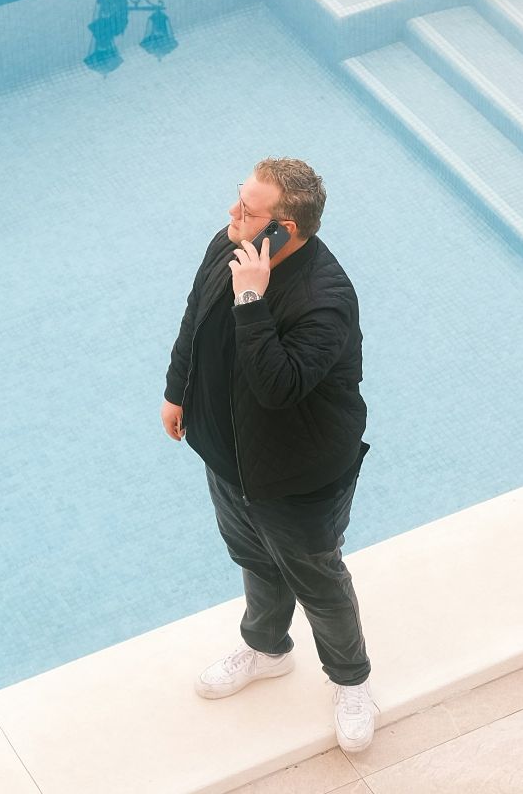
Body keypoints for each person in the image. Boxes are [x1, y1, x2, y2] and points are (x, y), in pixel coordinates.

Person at [161, 157, 377, 752]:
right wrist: (177, 390)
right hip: (229, 457)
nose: (232, 213)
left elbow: (277, 387)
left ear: (285, 228)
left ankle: (352, 681)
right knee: (256, 559)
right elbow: (195, 316)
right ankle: (266, 649)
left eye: (248, 210)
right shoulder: (231, 244)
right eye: (239, 197)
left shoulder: (326, 299)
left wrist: (252, 299)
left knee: (318, 580)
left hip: (298, 475)